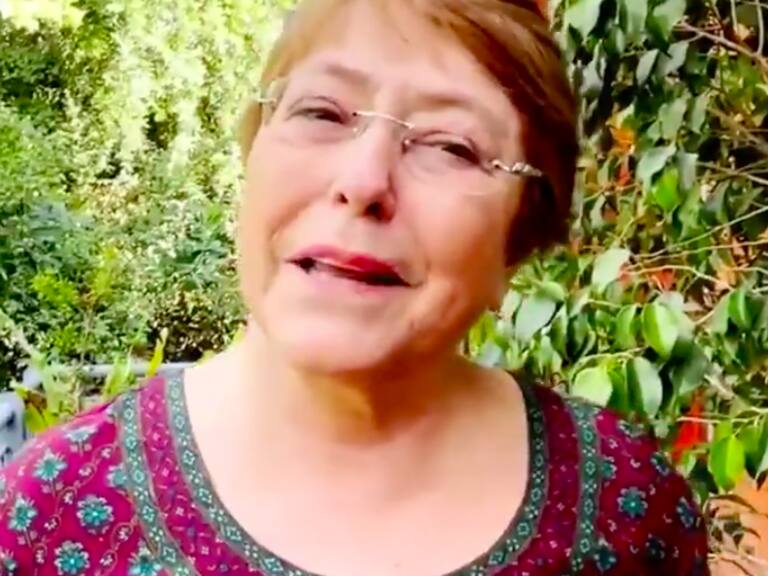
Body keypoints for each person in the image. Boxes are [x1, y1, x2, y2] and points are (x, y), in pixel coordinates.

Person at [0, 0, 710, 574]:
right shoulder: (52, 511)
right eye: (322, 112)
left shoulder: (628, 511)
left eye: (452, 146)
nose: (364, 180)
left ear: (519, 243)